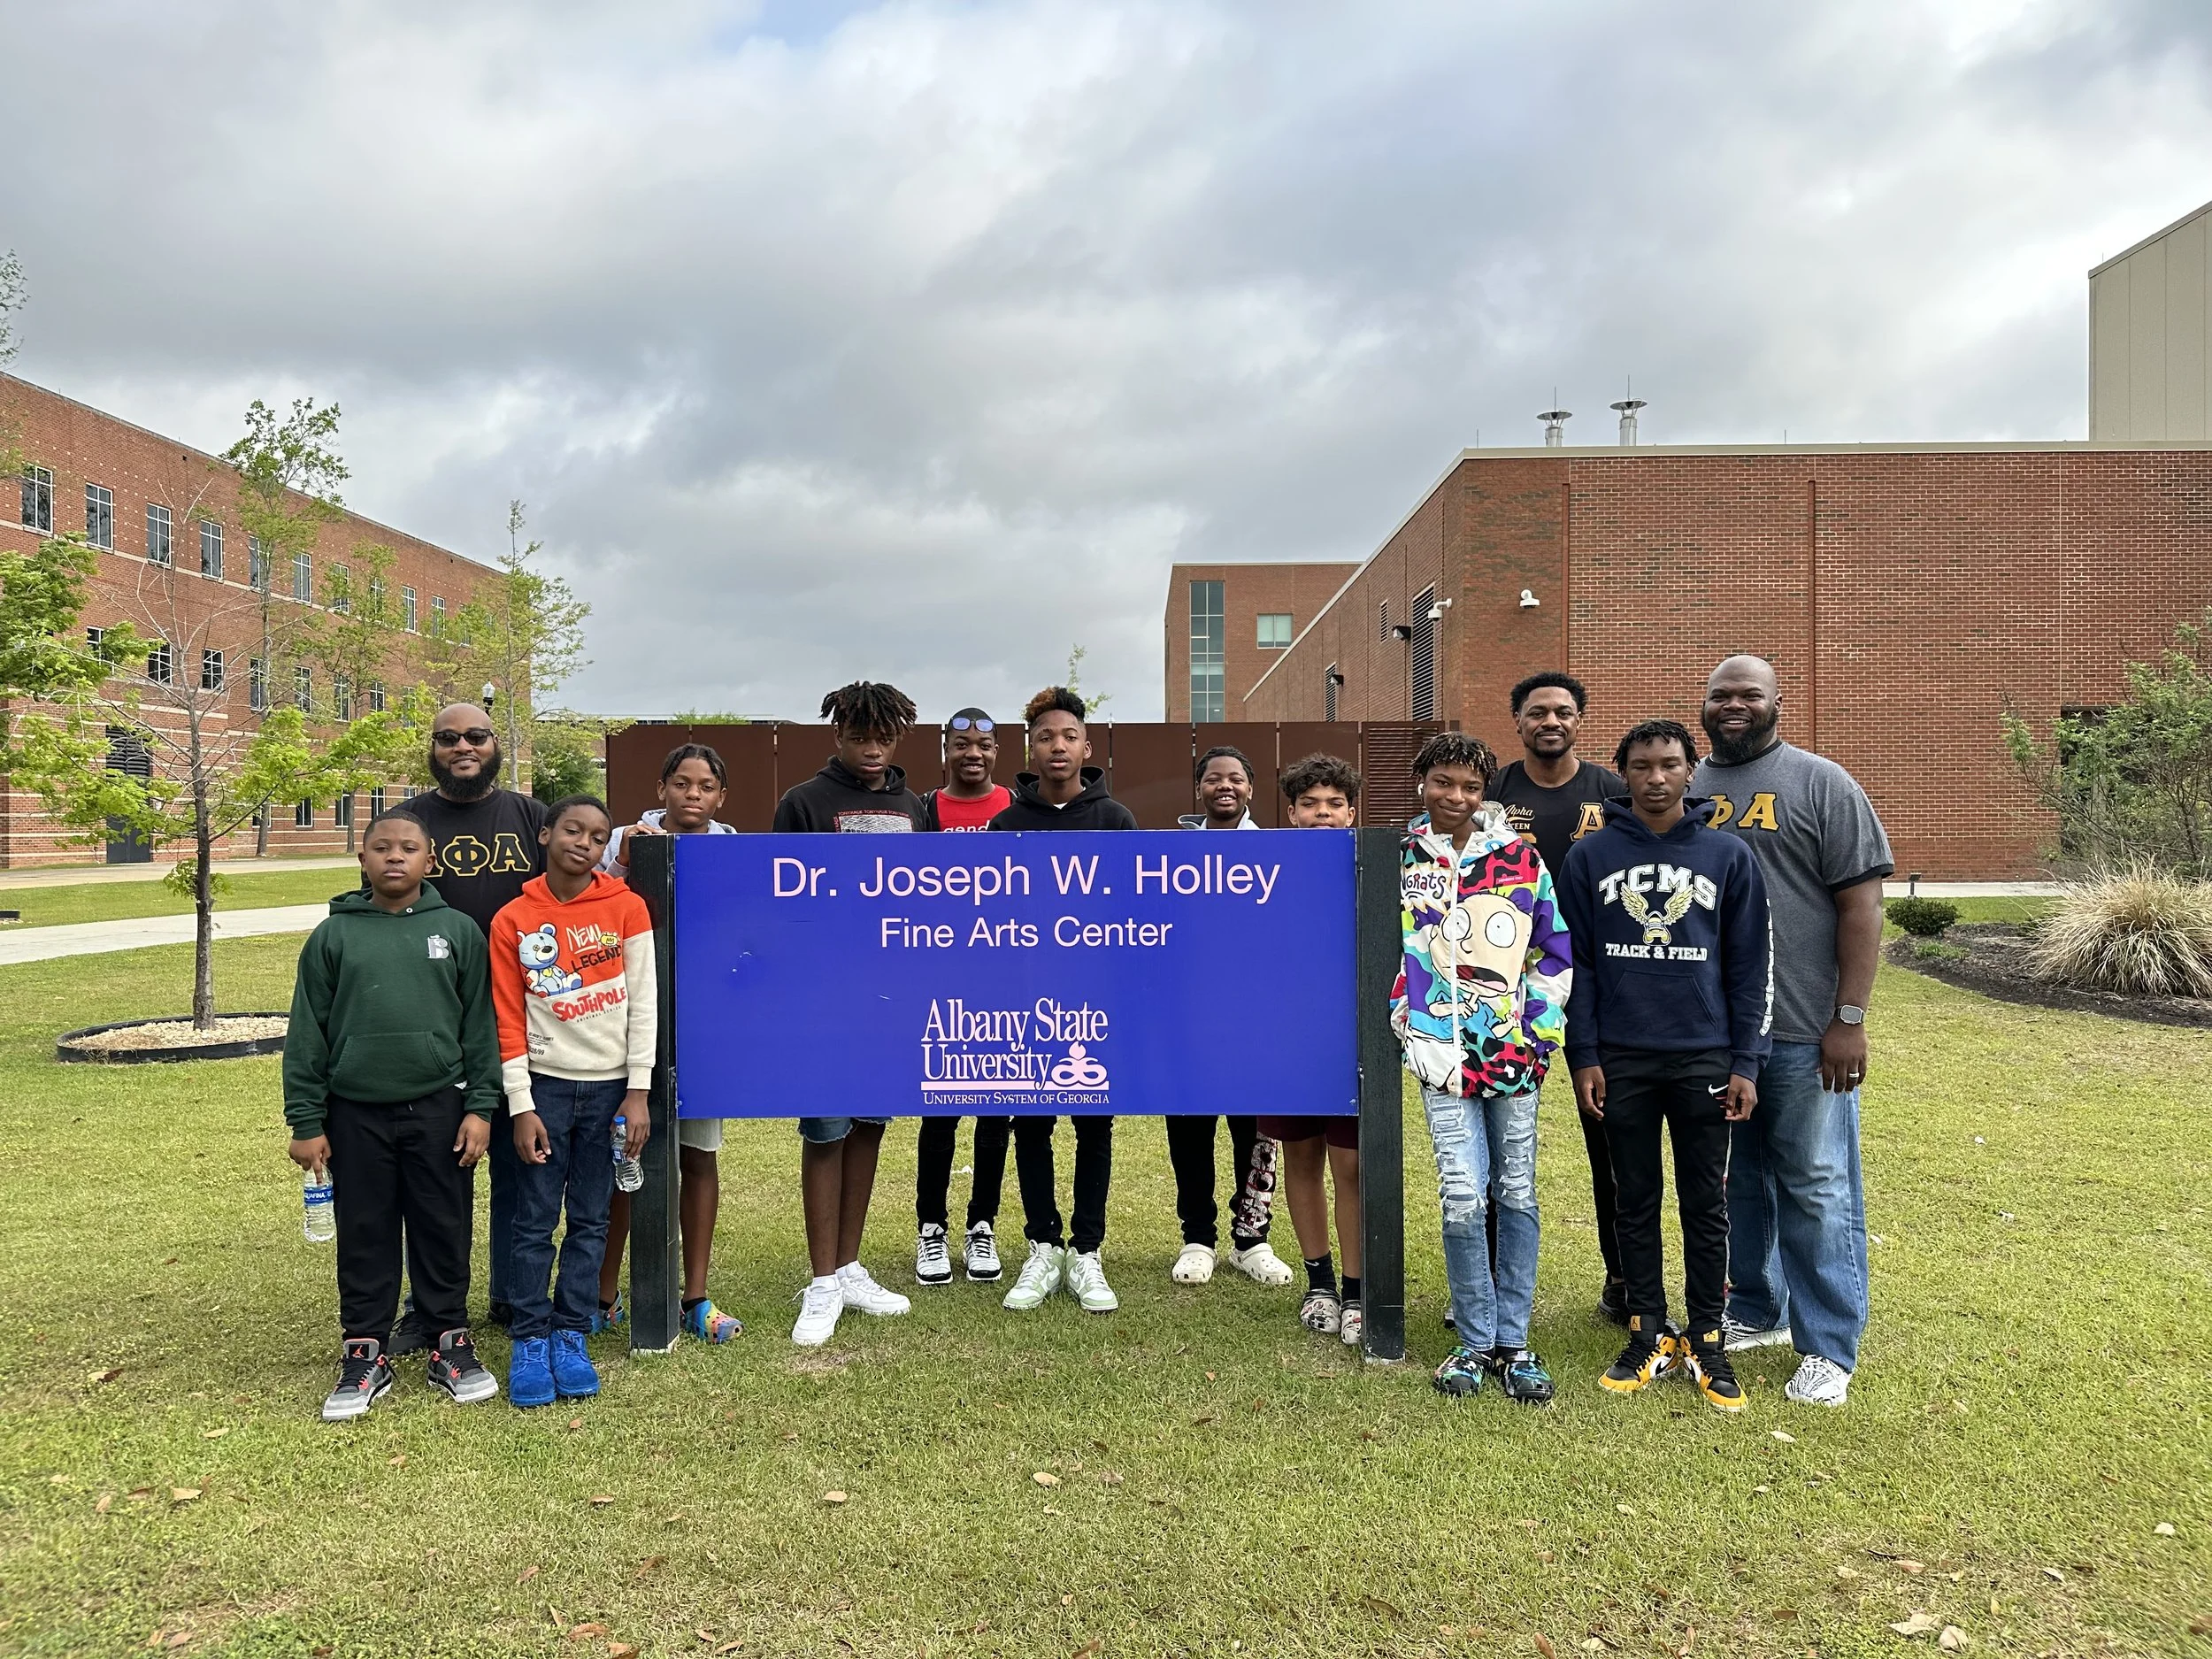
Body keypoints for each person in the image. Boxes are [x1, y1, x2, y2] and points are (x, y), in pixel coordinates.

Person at [1695, 654, 1892, 1409]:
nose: (1735, 705)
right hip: (1718, 1034)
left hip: (1807, 1028)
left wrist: (1849, 1019)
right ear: (1703, 705)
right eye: (1722, 695)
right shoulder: (1689, 787)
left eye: (1751, 694)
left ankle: (1829, 1346)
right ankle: (1756, 1307)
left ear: (1780, 702)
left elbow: (1862, 907)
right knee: (1740, 1178)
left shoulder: (1822, 783)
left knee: (1815, 1183)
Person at [1562, 719, 1771, 1415]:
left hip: (1703, 1055)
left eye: (1671, 764)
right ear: (1622, 772)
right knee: (1634, 1198)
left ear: (1691, 773)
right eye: (1643, 765)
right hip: (1620, 1055)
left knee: (1706, 1201)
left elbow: (1749, 967)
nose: (1656, 778)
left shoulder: (1728, 855)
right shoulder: (1589, 858)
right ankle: (1647, 1328)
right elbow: (1576, 967)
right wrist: (1583, 1053)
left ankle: (1707, 1336)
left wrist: (1746, 1059)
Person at [285, 810, 502, 1421]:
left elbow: (480, 1028)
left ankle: (449, 1342)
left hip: (439, 1106)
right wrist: (306, 1121)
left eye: (409, 848)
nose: (395, 857)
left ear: (430, 862)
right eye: (381, 847)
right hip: (355, 1112)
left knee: (442, 1223)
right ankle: (365, 1349)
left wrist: (480, 1106)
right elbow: (307, 1036)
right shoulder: (333, 937)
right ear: (362, 859)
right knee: (366, 1229)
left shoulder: (458, 931)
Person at [1393, 733, 1571, 1403]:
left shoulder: (1521, 859)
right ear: (1421, 782)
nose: (1456, 797)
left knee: (1516, 1189)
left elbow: (1552, 951)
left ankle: (1515, 1342)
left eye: (1470, 786)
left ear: (1485, 791)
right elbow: (1390, 949)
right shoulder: (1403, 859)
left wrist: (1538, 1035)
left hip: (1511, 1054)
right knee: (1462, 1193)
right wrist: (1409, 1025)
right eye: (1443, 782)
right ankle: (1473, 1339)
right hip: (1440, 1056)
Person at [488, 795, 657, 1409]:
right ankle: (529, 1336)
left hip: (612, 1088)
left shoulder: (626, 907)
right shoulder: (513, 918)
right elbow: (507, 1016)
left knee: (589, 1218)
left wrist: (637, 1090)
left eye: (597, 835)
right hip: (545, 1089)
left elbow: (644, 1004)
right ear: (546, 834)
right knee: (533, 1219)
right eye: (572, 830)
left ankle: (571, 1330)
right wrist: (521, 1103)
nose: (583, 842)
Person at [772, 681, 929, 1345]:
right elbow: (782, 897)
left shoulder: (913, 805)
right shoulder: (804, 802)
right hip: (825, 996)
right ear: (837, 735)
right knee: (826, 1131)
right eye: (859, 736)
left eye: (883, 737)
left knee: (868, 1125)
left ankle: (850, 1263)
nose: (871, 748)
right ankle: (821, 1280)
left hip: (888, 996)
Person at [394, 702, 548, 1346]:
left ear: (495, 743)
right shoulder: (408, 823)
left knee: (519, 1166)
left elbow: (579, 873)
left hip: (525, 1017)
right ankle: (433, 1309)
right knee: (438, 1173)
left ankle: (515, 1296)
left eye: (476, 736)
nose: (463, 746)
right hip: (438, 1023)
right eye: (449, 737)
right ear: (432, 747)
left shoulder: (530, 816)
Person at [987, 686, 1137, 1315]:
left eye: (1068, 735)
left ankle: (1087, 1249)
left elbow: (1137, 912)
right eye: (1046, 736)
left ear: (1086, 745)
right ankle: (1043, 1245)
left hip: (1095, 996)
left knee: (1094, 1122)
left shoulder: (1114, 819)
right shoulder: (1008, 824)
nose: (1057, 745)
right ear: (1032, 746)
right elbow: (986, 912)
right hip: (1026, 997)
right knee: (1033, 1121)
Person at [1486, 672, 1630, 1325]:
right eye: (1537, 711)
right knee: (1496, 1138)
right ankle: (1487, 1278)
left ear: (1580, 721)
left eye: (1564, 711)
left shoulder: (1612, 792)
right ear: (1517, 722)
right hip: (1508, 990)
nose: (1551, 720)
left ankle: (1624, 1278)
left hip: (1600, 985)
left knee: (1611, 1135)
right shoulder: (1494, 794)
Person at [595, 743, 742, 1343]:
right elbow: (598, 912)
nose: (693, 794)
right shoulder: (626, 841)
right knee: (625, 1159)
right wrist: (626, 863)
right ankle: (602, 1295)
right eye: (681, 782)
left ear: (721, 797)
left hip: (702, 1023)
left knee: (698, 1153)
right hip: (628, 1022)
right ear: (661, 788)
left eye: (706, 785)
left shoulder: (734, 847)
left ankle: (695, 1296)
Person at [1164, 745, 1289, 1287]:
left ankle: (1251, 1238)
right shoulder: (1172, 856)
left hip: (1256, 1020)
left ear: (1251, 788)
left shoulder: (1276, 853)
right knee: (1190, 1129)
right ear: (1198, 789)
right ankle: (1197, 1237)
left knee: (1255, 1129)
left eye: (1236, 778)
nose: (1225, 786)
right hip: (1189, 1016)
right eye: (1213, 778)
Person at [1259, 752, 1365, 1347]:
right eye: (1310, 804)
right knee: (1299, 1157)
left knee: (1350, 1163)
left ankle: (1357, 1289)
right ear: (1293, 813)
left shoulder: (1372, 865)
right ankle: (1319, 1281)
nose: (1322, 813)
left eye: (1334, 803)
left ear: (1351, 810)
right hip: (1286, 1037)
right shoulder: (1266, 868)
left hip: (1350, 1038)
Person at [914, 708, 1015, 1286]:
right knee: (941, 1104)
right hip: (940, 975)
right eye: (961, 743)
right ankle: (931, 1227)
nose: (972, 753)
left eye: (983, 744)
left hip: (1001, 976)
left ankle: (983, 1225)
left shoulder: (1013, 809)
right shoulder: (925, 810)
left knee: (994, 1108)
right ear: (945, 749)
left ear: (998, 750)